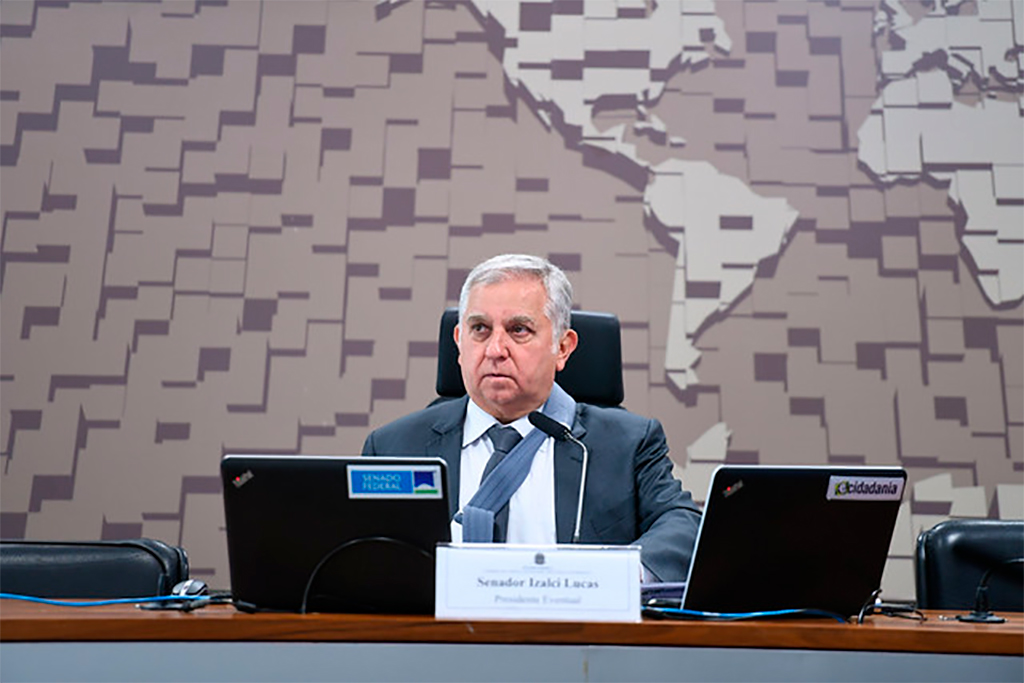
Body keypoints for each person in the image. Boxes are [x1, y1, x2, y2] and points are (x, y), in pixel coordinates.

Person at [361, 254, 700, 582]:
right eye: (480, 328)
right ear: (459, 342)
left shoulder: (627, 444)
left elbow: (683, 523)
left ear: (562, 347)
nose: (495, 349)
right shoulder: (395, 447)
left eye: (519, 330)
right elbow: (364, 553)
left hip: (571, 621)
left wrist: (617, 576)